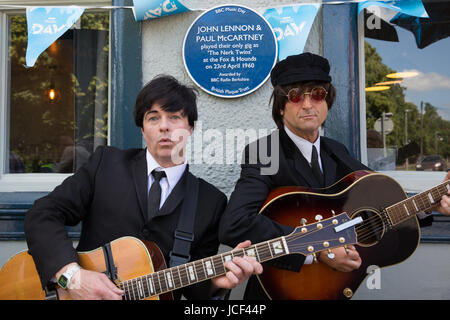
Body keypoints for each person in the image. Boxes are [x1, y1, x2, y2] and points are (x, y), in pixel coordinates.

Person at [218, 52, 450, 299]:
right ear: (281, 106)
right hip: (280, 291)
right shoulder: (265, 153)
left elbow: (381, 202)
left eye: (317, 94)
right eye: (296, 96)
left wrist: (429, 204)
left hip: (332, 289)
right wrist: (319, 248)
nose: (308, 105)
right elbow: (235, 225)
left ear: (327, 100)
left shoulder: (336, 151)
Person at [24, 75, 262, 300]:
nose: (164, 127)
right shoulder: (105, 165)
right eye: (153, 117)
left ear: (190, 128)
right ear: (143, 128)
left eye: (175, 117)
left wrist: (215, 283)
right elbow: (42, 215)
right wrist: (73, 278)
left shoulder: (210, 201)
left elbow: (191, 288)